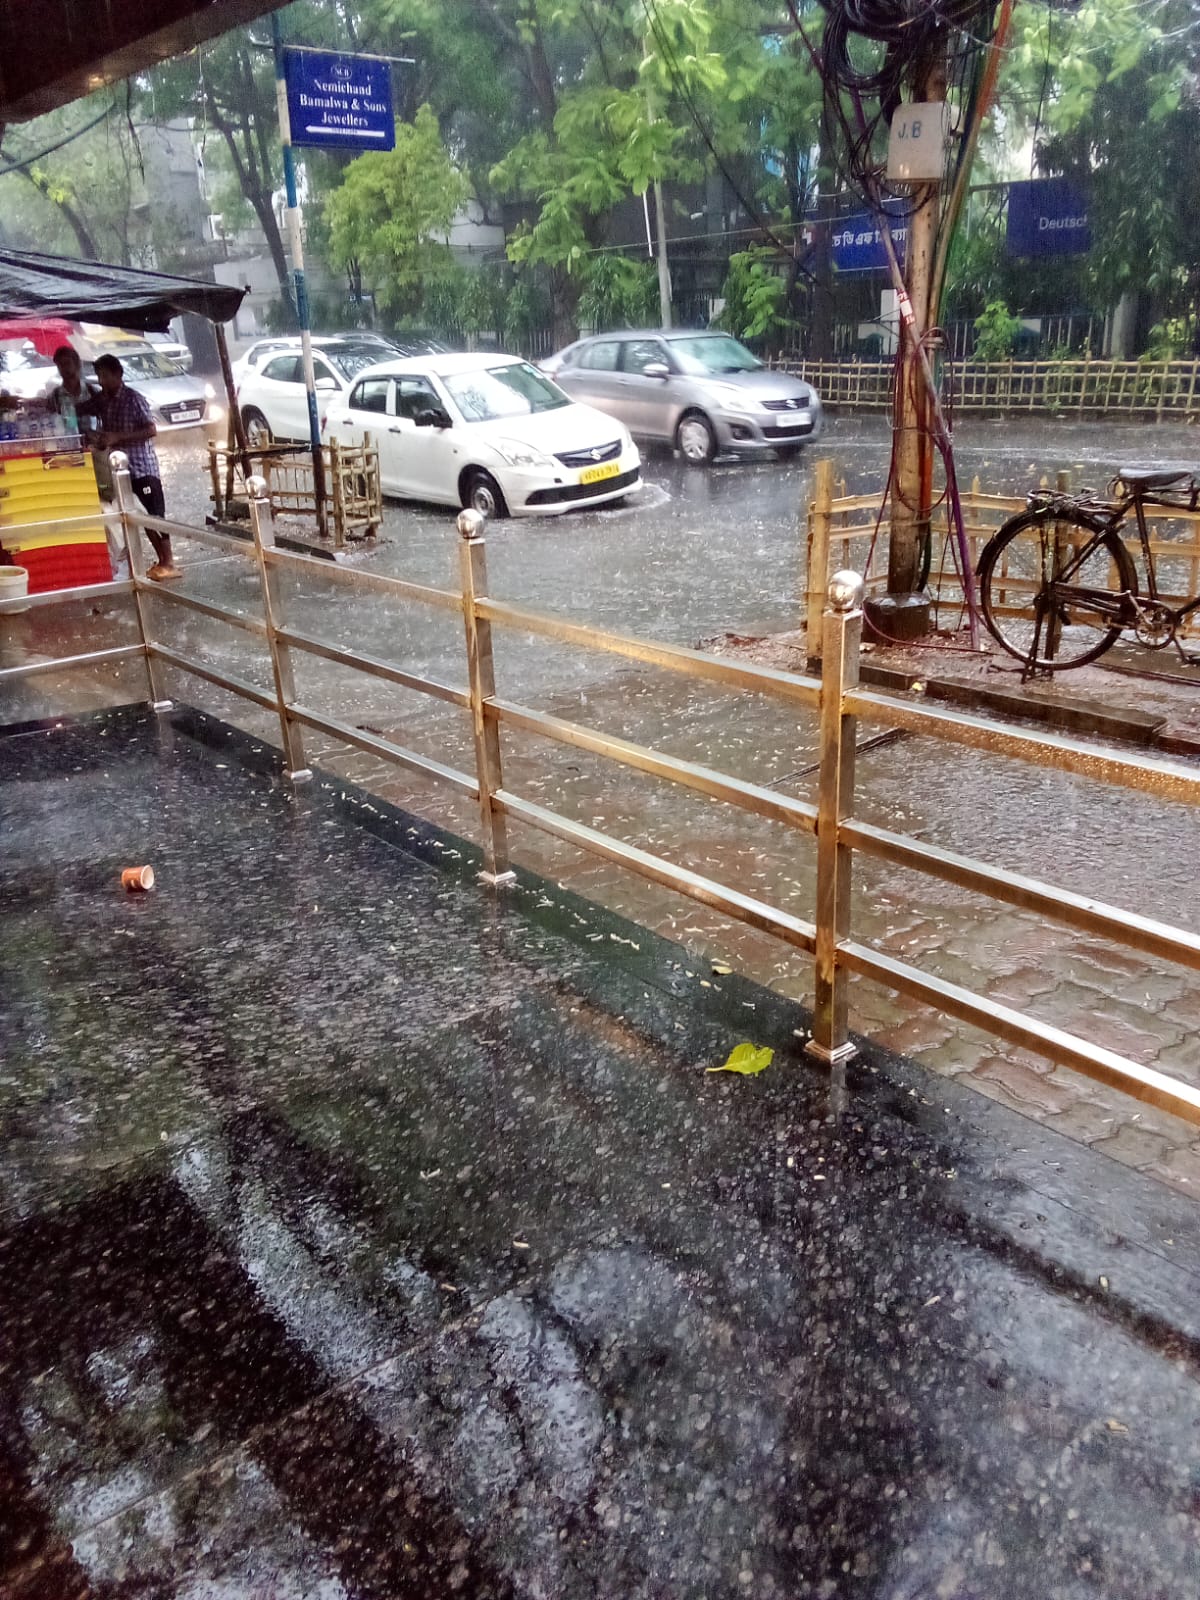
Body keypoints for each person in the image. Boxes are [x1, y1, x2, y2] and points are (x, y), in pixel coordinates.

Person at [91, 352, 180, 581]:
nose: (102, 381)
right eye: (99, 376)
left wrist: (117, 437)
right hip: (123, 472)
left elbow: (151, 430)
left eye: (105, 376)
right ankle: (162, 560)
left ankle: (169, 561)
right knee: (139, 515)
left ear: (118, 375)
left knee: (155, 514)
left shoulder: (133, 399)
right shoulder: (105, 400)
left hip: (143, 468)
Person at [43, 344, 99, 435]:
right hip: (69, 443)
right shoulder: (55, 397)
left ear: (77, 364)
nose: (64, 368)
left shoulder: (92, 391)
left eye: (67, 363)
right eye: (60, 365)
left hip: (93, 444)